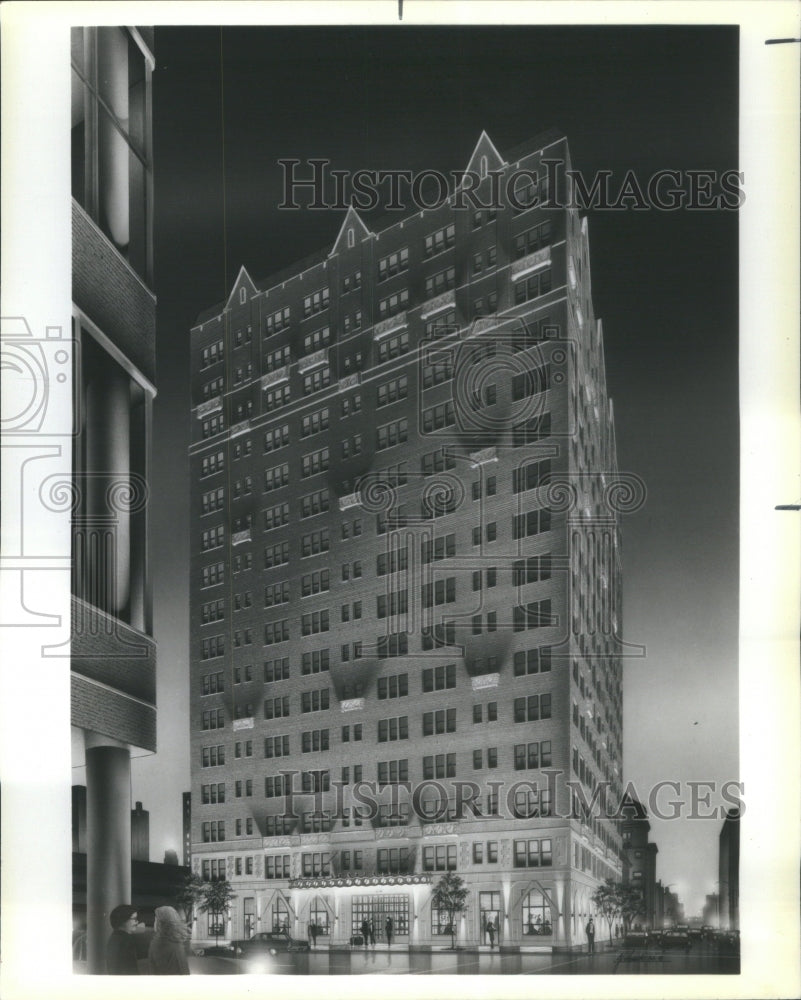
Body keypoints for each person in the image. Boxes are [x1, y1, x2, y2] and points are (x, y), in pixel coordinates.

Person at [148, 905, 191, 974]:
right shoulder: (177, 945)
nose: (154, 923)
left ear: (161, 923)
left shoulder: (155, 943)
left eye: (156, 920)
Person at [106, 904, 141, 974]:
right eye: (134, 919)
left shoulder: (114, 938)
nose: (137, 922)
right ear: (123, 920)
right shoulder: (126, 941)